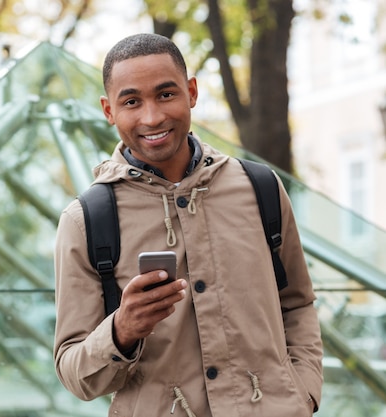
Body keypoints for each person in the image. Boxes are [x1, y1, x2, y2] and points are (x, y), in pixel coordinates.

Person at [53, 33, 323, 417]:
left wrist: (303, 394)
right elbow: (73, 372)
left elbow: (297, 303)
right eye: (132, 102)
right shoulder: (85, 220)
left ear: (192, 92)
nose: (152, 117)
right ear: (108, 110)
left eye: (166, 95)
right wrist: (122, 331)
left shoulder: (260, 187)